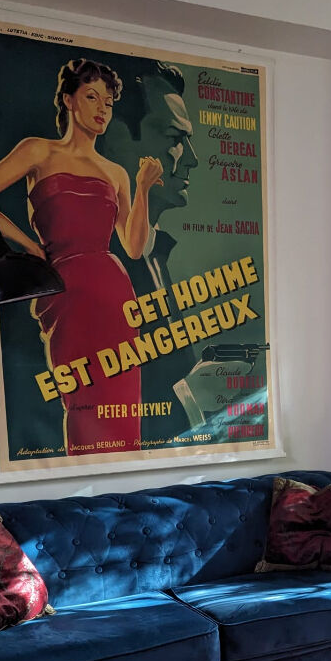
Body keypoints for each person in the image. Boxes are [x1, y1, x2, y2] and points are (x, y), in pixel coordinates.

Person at [0, 57, 164, 455]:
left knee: (121, 409)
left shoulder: (116, 173)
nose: (102, 108)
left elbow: (134, 247)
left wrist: (142, 189)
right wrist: (29, 247)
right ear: (69, 100)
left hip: (115, 296)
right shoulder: (38, 150)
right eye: (92, 97)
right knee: (82, 407)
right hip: (64, 294)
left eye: (109, 102)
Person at [100, 61, 199, 431]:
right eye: (174, 138)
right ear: (117, 140)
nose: (192, 159)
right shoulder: (99, 265)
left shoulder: (154, 254)